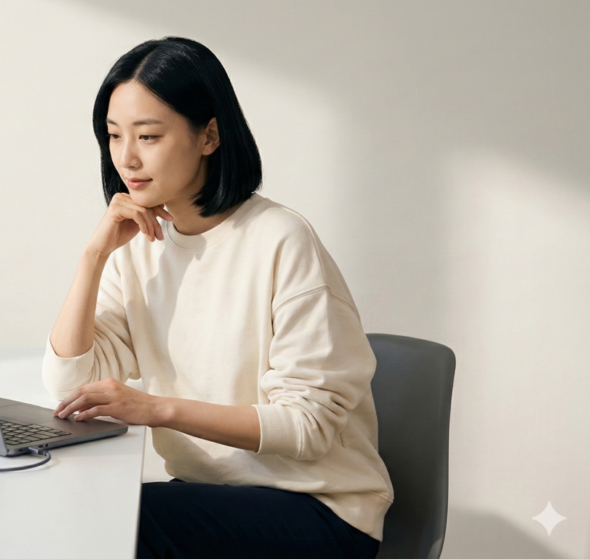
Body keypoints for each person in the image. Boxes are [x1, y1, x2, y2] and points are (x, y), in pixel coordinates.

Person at [42, 37, 393, 559]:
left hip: (320, 509)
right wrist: (93, 256)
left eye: (149, 136)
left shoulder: (280, 239)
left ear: (209, 135)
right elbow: (73, 387)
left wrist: (157, 408)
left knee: (126, 526)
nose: (127, 158)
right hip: (212, 497)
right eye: (114, 136)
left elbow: (308, 427)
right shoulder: (135, 247)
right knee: (87, 508)